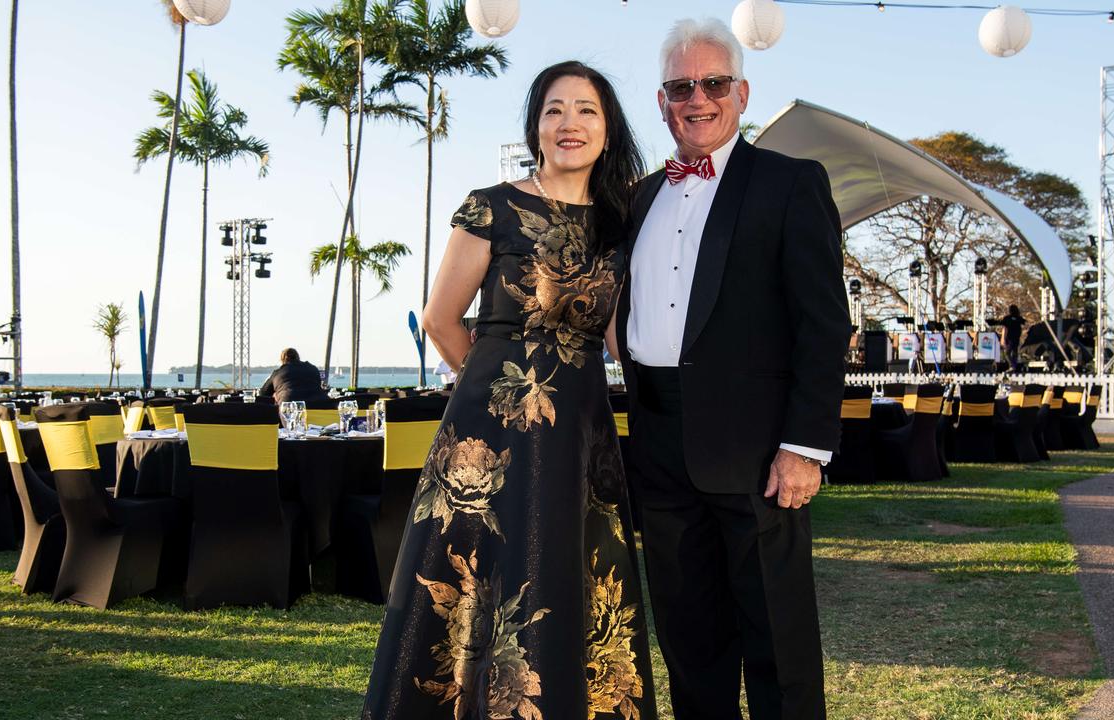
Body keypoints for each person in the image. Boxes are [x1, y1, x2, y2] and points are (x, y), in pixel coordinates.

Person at [361, 61, 657, 719]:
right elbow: (440, 319)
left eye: (585, 110)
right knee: (477, 583)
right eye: (554, 109)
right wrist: (502, 395)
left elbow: (616, 338)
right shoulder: (490, 206)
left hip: (581, 435)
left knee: (571, 580)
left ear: (608, 129)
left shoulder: (621, 223)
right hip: (489, 436)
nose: (569, 123)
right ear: (536, 127)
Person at [612, 19, 849, 719]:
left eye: (714, 82)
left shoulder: (791, 183)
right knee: (690, 646)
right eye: (681, 86)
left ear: (742, 93)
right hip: (657, 448)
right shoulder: (639, 198)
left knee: (779, 644)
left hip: (758, 454)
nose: (698, 98)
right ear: (661, 102)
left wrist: (805, 447)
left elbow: (822, 324)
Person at [256, 348, 327, 403]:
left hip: (289, 407)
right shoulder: (313, 369)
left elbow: (263, 393)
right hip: (319, 405)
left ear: (282, 360)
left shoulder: (278, 373)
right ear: (298, 357)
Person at [1000, 304, 1027, 370]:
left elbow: (1005, 328)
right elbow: (1024, 324)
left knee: (1007, 353)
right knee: (1014, 352)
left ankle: (1012, 365)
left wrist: (1003, 338)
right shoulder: (1018, 318)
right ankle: (1014, 365)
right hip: (1016, 338)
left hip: (1009, 338)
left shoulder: (1007, 318)